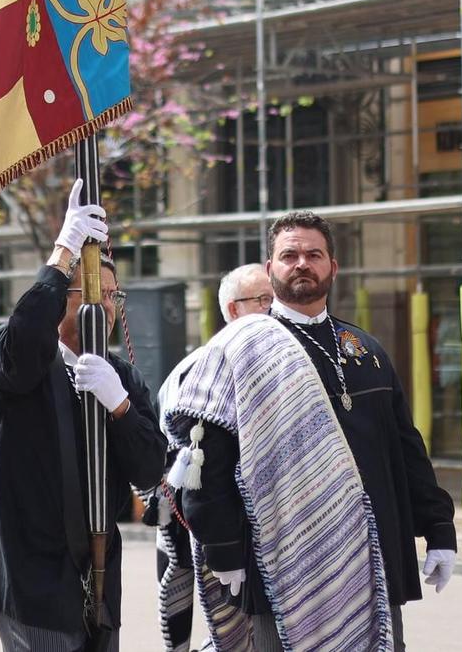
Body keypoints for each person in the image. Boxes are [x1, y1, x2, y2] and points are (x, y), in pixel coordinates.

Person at [174, 211, 454, 651]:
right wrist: (223, 546)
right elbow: (207, 461)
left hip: (369, 560)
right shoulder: (242, 349)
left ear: (332, 267)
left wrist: (439, 528)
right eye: (289, 255)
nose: (301, 263)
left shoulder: (367, 350)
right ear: (271, 269)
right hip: (282, 562)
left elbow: (404, 447)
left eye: (313, 254)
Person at [0, 182, 166, 651]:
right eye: (91, 291)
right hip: (31, 570)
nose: (105, 306)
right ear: (62, 295)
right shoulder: (23, 357)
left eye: (113, 296)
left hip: (99, 570)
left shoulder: (119, 373)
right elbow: (20, 344)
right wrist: (64, 251)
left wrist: (119, 405)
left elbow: (149, 466)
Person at [148, 262, 272, 652]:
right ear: (234, 309)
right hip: (218, 529)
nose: (274, 309)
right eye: (264, 300)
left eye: (276, 299)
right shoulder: (202, 366)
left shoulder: (280, 361)